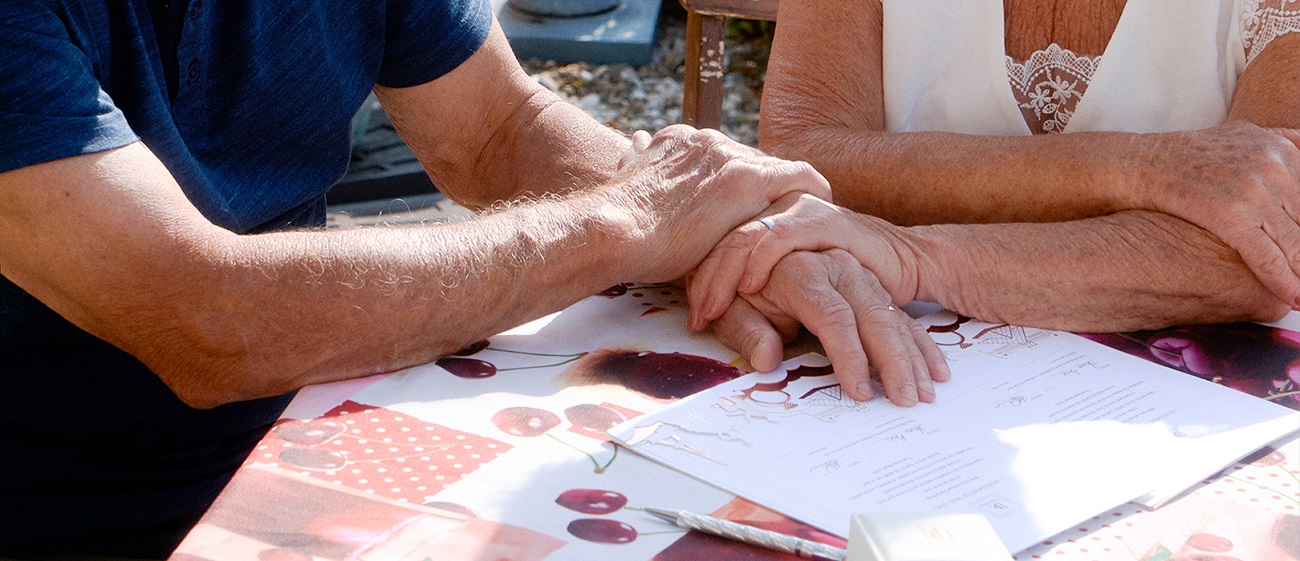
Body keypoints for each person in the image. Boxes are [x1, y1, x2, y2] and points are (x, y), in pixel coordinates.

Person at [0, 0, 950, 557]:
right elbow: (204, 318)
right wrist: (633, 221)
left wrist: (732, 239)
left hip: (305, 437)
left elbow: (496, 129)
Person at [688, 0, 1300, 357]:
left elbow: (1264, 250)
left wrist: (920, 258)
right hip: (894, 344)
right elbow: (808, 153)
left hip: (1188, 406)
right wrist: (1141, 168)